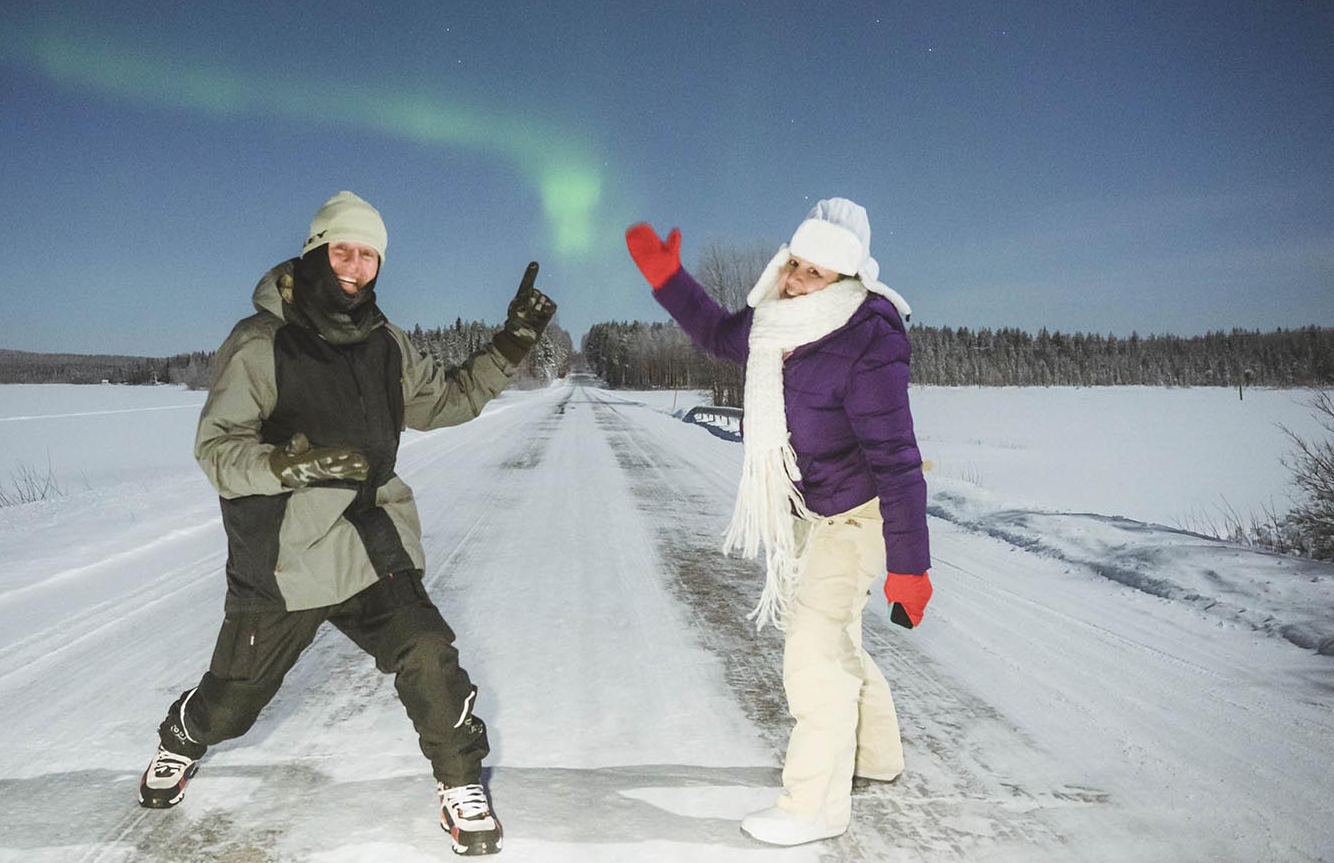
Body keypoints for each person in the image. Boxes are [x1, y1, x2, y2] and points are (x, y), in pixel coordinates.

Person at [139, 190, 555, 857]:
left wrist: (512, 344)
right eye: (343, 250)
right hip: (284, 553)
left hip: (368, 537)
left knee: (426, 650)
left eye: (369, 255)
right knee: (232, 704)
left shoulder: (386, 343)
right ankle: (183, 735)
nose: (356, 266)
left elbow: (446, 401)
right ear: (315, 252)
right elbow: (217, 452)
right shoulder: (261, 341)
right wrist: (286, 466)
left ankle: (458, 781)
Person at [624, 197, 932, 847]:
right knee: (832, 638)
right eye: (793, 263)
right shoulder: (773, 325)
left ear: (847, 277)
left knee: (813, 653)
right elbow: (714, 333)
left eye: (813, 272)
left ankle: (815, 806)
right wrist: (669, 280)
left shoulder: (869, 338)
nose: (794, 279)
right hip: (805, 508)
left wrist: (910, 566)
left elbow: (898, 461)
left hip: (857, 515)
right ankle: (876, 755)